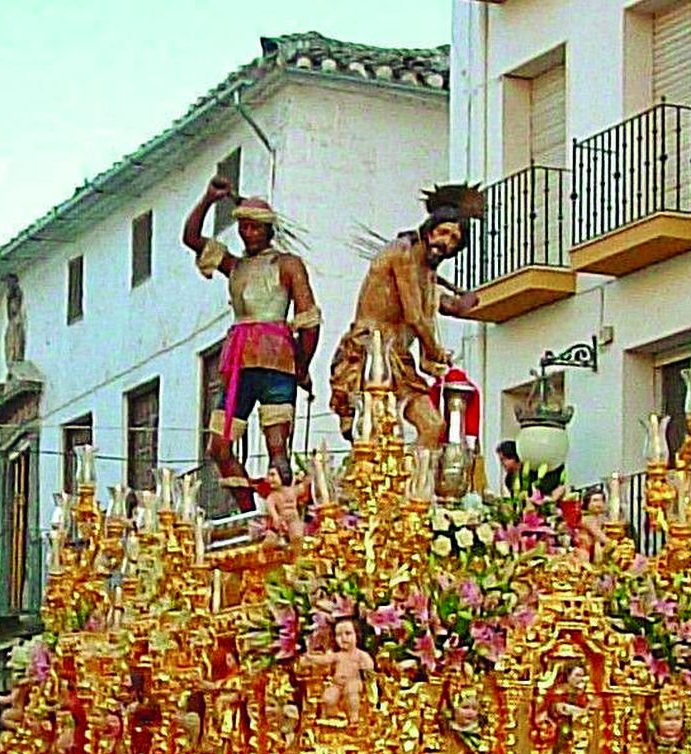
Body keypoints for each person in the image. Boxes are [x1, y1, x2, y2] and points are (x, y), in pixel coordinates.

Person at [183, 175, 321, 511]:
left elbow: (309, 319)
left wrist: (302, 367)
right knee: (219, 447)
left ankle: (285, 514)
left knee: (278, 452)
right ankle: (249, 515)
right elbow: (191, 238)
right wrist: (208, 199)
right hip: (239, 362)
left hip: (277, 360)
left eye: (256, 228)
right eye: (244, 227)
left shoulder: (288, 264)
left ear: (269, 231)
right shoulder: (236, 266)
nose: (249, 233)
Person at [328, 183, 483, 450]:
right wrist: (436, 350)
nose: (446, 242)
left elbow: (425, 339)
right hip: (369, 352)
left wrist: (436, 358)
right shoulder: (403, 252)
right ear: (429, 230)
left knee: (433, 427)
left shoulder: (428, 275)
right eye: (443, 232)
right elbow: (414, 317)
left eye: (454, 239)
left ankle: (414, 488)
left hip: (400, 359)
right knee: (373, 434)